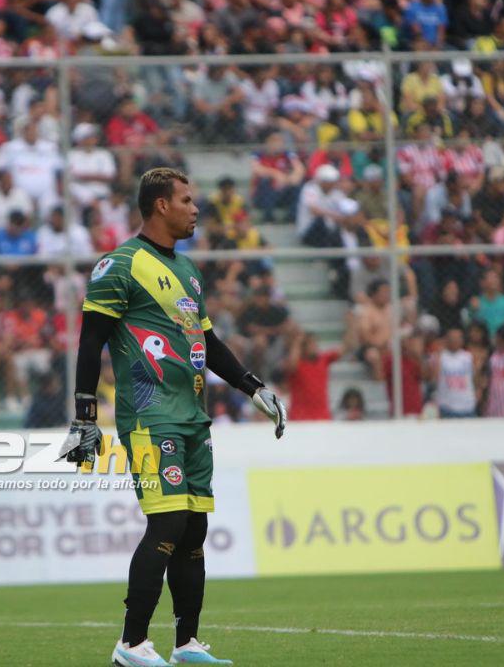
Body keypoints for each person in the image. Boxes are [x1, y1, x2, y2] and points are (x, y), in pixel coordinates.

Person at [62, 168, 286, 667]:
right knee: (166, 521)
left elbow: (208, 342)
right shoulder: (118, 266)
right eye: (186, 199)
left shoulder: (187, 270)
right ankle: (131, 644)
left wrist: (254, 387)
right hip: (150, 415)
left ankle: (187, 644)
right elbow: (90, 341)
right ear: (160, 205)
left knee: (194, 530)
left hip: (193, 416)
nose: (195, 208)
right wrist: (84, 417)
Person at [284, 330, 347, 421]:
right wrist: (297, 342)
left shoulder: (323, 360)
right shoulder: (297, 365)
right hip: (300, 418)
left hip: (322, 417)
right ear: (303, 347)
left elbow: (343, 350)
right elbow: (292, 365)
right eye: (311, 344)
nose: (315, 346)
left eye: (315, 343)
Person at [432, 327, 477, 418]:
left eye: (458, 338)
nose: (455, 341)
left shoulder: (468, 357)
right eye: (452, 338)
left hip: (467, 406)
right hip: (447, 407)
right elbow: (434, 379)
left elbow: (476, 379)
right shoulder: (440, 356)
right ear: (446, 340)